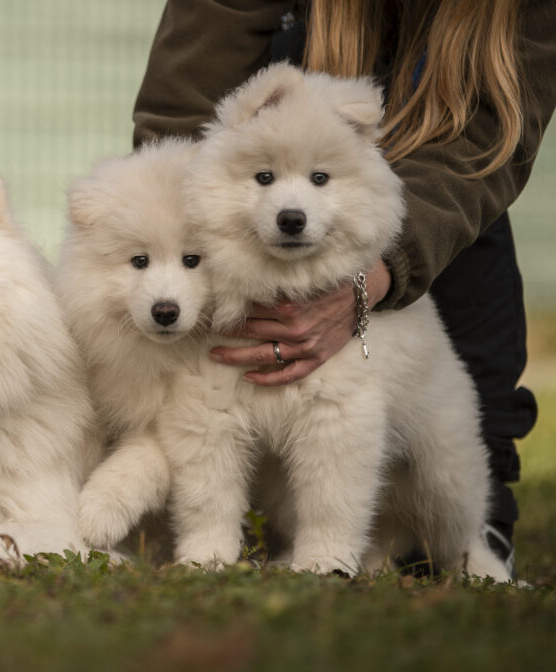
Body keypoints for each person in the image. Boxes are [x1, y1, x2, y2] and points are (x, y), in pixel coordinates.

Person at [132, 0, 555, 573]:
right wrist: (188, 255)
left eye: (314, 181)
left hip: (443, 195)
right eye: (267, 179)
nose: (290, 207)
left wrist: (377, 276)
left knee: (443, 495)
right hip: (288, 94)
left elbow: (487, 139)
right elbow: (183, 101)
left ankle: (452, 545)